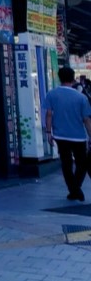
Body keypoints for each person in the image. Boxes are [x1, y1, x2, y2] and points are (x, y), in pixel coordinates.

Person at [44, 65, 91, 201]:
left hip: (60, 135)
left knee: (66, 163)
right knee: (82, 164)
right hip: (78, 136)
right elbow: (86, 120)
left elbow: (48, 114)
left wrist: (48, 132)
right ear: (73, 78)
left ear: (59, 78)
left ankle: (74, 190)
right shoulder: (81, 98)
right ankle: (76, 188)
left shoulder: (52, 94)